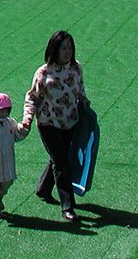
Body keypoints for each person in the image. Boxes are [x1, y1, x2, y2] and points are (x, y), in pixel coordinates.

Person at [21, 30, 90, 222]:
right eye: (63, 48)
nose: (67, 52)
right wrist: (27, 118)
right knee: (62, 163)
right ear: (54, 49)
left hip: (70, 122)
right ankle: (67, 205)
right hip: (48, 123)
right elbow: (31, 97)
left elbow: (80, 88)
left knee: (59, 157)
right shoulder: (44, 73)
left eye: (70, 48)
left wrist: (84, 101)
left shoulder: (76, 68)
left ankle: (43, 189)